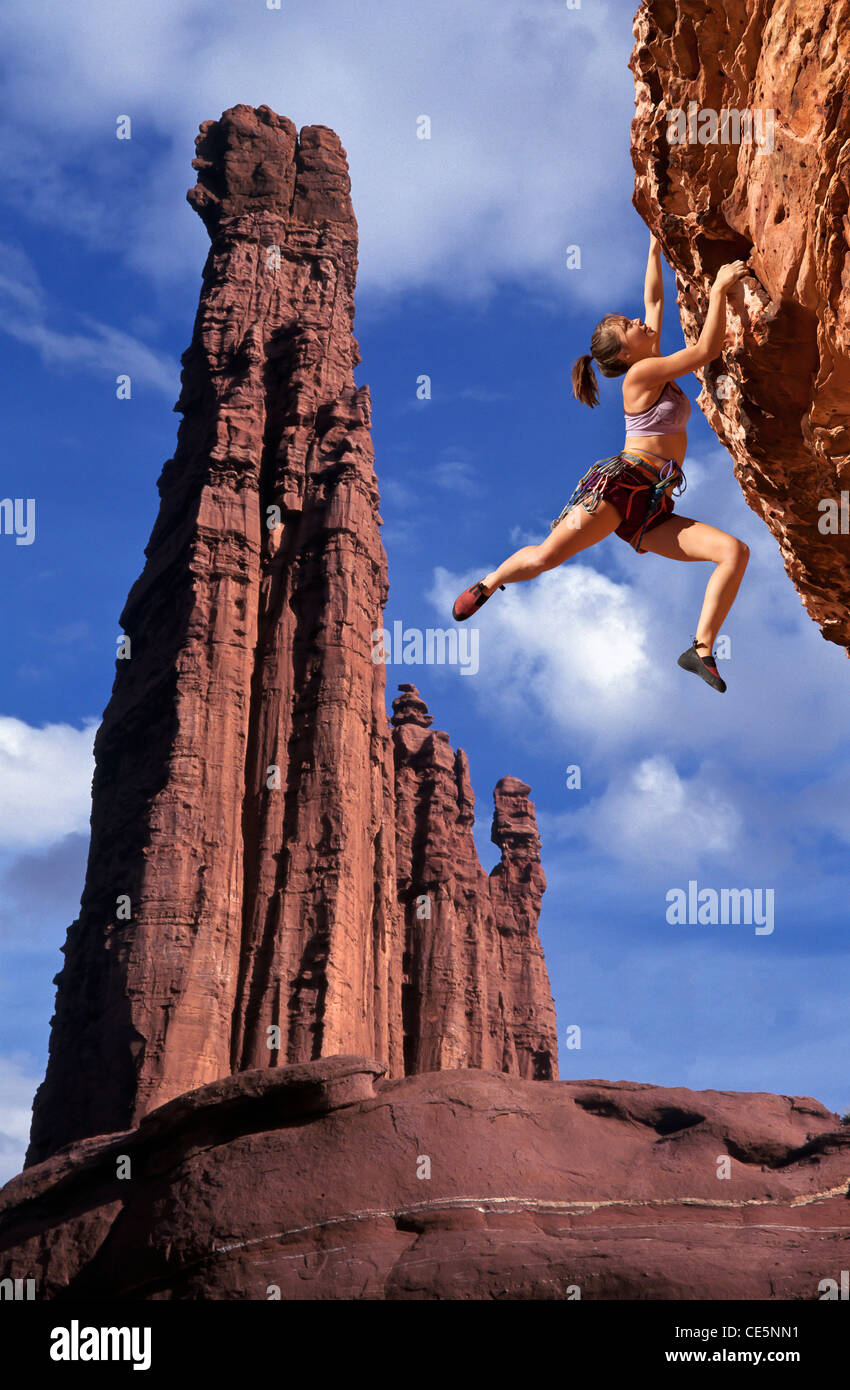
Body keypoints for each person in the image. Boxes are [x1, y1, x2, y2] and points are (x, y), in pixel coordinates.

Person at [451, 235, 750, 693]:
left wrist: (653, 246)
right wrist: (718, 290)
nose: (638, 320)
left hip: (653, 507)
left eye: (630, 319)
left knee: (733, 552)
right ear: (626, 353)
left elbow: (653, 298)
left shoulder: (648, 359)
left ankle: (701, 649)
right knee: (549, 555)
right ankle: (490, 582)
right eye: (628, 326)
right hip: (621, 487)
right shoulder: (642, 374)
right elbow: (706, 351)